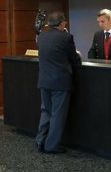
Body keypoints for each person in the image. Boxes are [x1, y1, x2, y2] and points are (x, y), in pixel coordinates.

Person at [35, 11, 81, 154]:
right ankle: (51, 146)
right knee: (57, 115)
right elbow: (74, 60)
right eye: (65, 22)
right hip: (60, 82)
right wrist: (77, 55)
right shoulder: (66, 37)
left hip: (44, 80)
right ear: (61, 23)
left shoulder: (41, 36)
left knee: (46, 111)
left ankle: (40, 140)